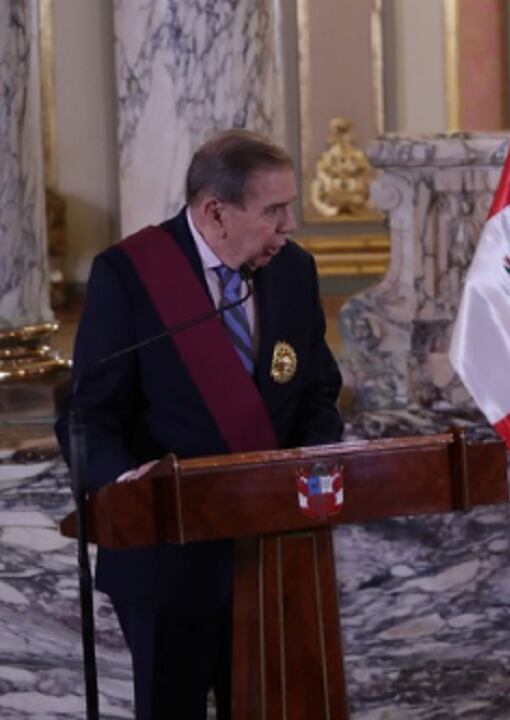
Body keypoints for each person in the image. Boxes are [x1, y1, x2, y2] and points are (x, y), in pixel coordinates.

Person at [56, 129, 344, 719]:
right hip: (167, 554)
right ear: (215, 211)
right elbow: (91, 413)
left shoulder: (293, 272)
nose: (289, 225)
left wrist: (311, 465)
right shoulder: (130, 275)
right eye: (273, 211)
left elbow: (318, 392)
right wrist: (125, 484)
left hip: (270, 551)